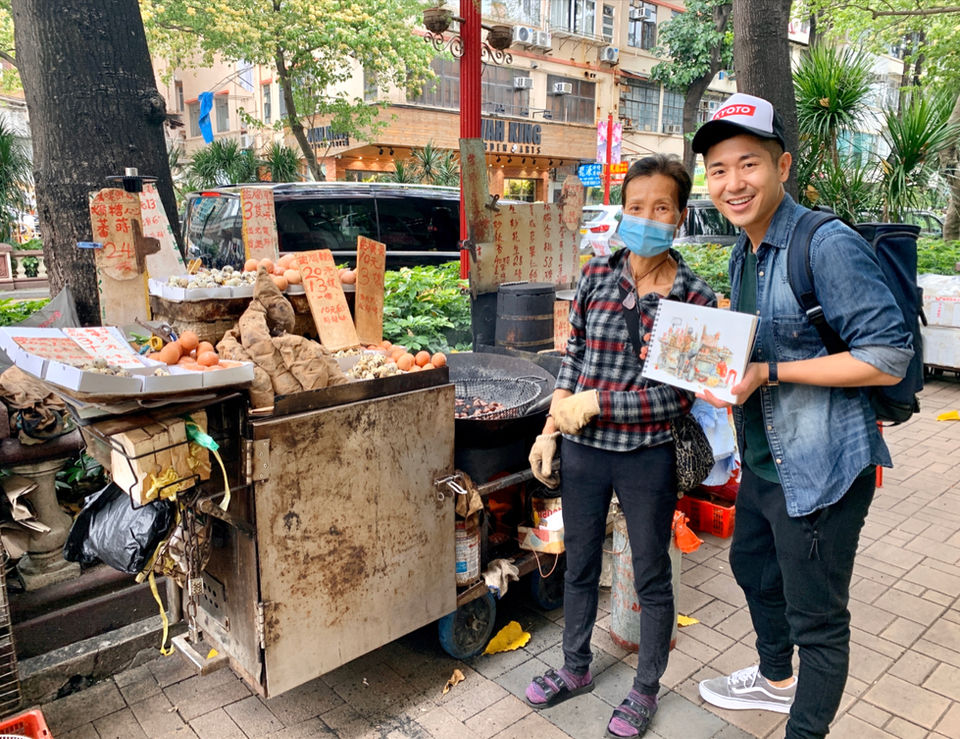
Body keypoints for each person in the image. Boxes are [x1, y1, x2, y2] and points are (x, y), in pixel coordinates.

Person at [691, 93, 913, 739]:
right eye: (718, 169)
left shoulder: (824, 243)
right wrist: (717, 368)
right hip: (765, 459)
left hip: (823, 468)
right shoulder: (744, 250)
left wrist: (769, 373)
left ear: (781, 166)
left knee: (818, 621)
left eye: (748, 164)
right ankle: (773, 678)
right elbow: (761, 344)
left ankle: (804, 729)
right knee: (752, 568)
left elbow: (887, 357)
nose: (733, 183)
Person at [526, 154, 716, 738]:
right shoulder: (596, 276)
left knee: (651, 574)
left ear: (678, 217)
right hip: (583, 450)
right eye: (636, 206)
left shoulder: (694, 298)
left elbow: (677, 398)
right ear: (622, 211)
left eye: (661, 208)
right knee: (580, 563)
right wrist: (551, 427)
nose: (647, 218)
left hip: (647, 456)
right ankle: (575, 667)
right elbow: (575, 356)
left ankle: (645, 689)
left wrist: (600, 403)